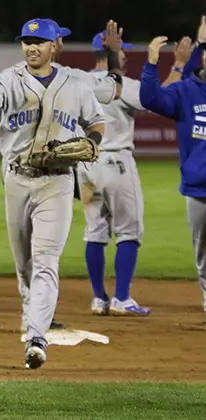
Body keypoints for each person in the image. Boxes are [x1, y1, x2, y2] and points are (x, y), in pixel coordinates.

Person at [0, 18, 123, 334]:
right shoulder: (9, 80)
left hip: (57, 179)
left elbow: (101, 112)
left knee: (46, 258)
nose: (32, 47)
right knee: (24, 263)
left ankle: (37, 331)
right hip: (17, 179)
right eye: (26, 42)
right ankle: (33, 312)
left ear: (55, 45)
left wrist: (93, 142)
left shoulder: (77, 82)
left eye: (39, 42)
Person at [77, 29, 151, 316]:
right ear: (113, 53)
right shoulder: (123, 84)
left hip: (85, 164)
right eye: (122, 50)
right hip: (117, 162)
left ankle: (99, 299)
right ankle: (121, 298)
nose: (125, 54)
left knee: (94, 232)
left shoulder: (80, 82)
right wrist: (179, 66)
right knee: (129, 232)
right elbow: (158, 98)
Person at [140, 32, 206, 325]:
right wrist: (152, 65)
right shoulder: (186, 91)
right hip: (198, 188)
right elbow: (150, 98)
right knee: (203, 255)